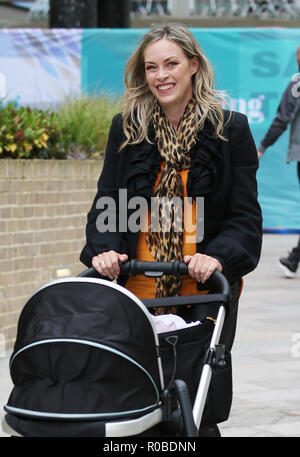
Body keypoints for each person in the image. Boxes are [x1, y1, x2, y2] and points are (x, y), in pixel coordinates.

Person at [80, 24, 262, 436]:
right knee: (132, 403)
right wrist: (104, 250)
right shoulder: (127, 129)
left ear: (193, 65)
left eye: (171, 64)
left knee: (194, 407)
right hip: (136, 287)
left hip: (202, 288)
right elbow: (108, 204)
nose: (161, 75)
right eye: (151, 67)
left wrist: (216, 256)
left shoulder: (229, 129)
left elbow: (244, 216)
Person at [257, 45, 300, 278]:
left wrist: (262, 147)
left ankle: (294, 259)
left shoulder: (296, 86)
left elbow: (282, 119)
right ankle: (294, 259)